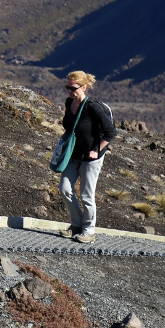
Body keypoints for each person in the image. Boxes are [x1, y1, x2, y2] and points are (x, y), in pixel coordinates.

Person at [57, 70, 116, 243]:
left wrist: (96, 150)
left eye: (73, 88)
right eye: (67, 87)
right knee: (65, 188)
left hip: (91, 158)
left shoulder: (93, 107)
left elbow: (110, 132)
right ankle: (76, 224)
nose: (69, 91)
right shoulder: (69, 103)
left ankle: (88, 230)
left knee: (86, 195)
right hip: (73, 155)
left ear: (84, 87)